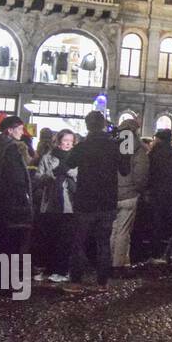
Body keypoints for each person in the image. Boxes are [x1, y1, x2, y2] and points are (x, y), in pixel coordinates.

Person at [63, 110, 130, 293]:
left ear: (87, 126)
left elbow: (67, 165)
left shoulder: (83, 146)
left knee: (79, 242)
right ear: (103, 125)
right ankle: (102, 282)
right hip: (107, 200)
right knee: (103, 242)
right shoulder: (114, 145)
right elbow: (125, 170)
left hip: (85, 200)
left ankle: (76, 281)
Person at [0, 116, 34, 262]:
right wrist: (23, 198)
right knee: (11, 239)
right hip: (11, 200)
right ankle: (6, 277)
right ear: (10, 130)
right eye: (19, 129)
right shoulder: (12, 148)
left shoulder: (0, 147)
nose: (22, 132)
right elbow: (16, 177)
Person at [33, 129, 77, 281]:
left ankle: (62, 270)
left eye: (70, 142)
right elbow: (38, 177)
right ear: (58, 142)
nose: (67, 144)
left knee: (65, 238)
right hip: (51, 202)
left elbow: (81, 177)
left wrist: (70, 172)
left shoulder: (76, 159)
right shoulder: (48, 157)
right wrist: (49, 176)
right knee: (50, 236)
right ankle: (49, 268)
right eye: (65, 141)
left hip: (69, 203)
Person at [112, 118, 150, 270]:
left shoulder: (113, 144)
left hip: (112, 193)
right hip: (129, 194)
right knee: (123, 231)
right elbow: (140, 173)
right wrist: (139, 189)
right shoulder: (138, 148)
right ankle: (118, 265)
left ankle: (108, 260)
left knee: (113, 230)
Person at [145, 128, 172, 258]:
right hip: (171, 192)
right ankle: (170, 250)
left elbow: (146, 174)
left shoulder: (151, 155)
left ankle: (154, 250)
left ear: (159, 139)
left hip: (154, 192)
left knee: (155, 222)